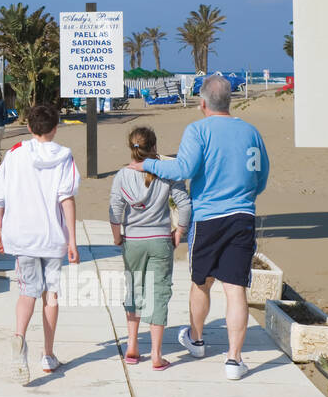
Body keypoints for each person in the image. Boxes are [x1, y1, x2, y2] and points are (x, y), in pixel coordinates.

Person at [130, 74, 269, 380]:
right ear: (229, 101)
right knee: (235, 289)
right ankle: (234, 360)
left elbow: (183, 168)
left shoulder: (198, 130)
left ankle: (196, 339)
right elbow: (261, 176)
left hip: (208, 219)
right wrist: (242, 197)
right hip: (243, 217)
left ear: (202, 103)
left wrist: (147, 165)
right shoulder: (251, 131)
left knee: (201, 281)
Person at [0, 103, 80, 383]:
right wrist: (72, 240)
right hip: (52, 238)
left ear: (29, 127)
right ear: (55, 128)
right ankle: (48, 354)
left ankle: (19, 338)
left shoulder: (15, 154)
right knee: (50, 295)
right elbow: (67, 199)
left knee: (27, 291)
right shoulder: (65, 156)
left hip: (23, 236)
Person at [110, 126, 191, 370]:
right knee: (158, 293)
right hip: (159, 240)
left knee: (134, 290)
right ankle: (156, 355)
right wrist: (180, 231)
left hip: (133, 240)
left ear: (131, 148)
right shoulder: (168, 173)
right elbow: (184, 205)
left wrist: (117, 237)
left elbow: (115, 210)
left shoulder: (122, 175)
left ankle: (132, 347)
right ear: (154, 147)